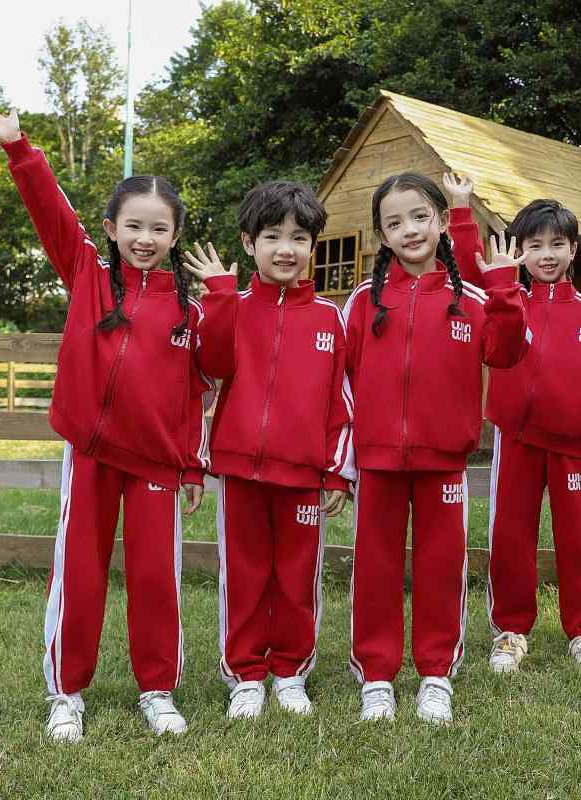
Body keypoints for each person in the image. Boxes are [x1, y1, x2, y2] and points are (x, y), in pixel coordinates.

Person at [0, 104, 214, 741]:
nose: (145, 238)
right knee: (80, 575)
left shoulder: (190, 310)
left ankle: (158, 690)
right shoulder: (88, 274)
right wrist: (18, 147)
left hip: (157, 464)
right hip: (90, 455)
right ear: (112, 229)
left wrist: (192, 465)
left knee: (155, 579)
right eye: (133, 226)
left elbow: (195, 395)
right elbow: (52, 214)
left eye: (159, 228)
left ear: (174, 234)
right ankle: (67, 693)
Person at [344, 172, 529, 724]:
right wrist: (344, 459)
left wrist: (504, 288)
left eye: (420, 217)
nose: (409, 230)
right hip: (377, 462)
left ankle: (435, 674)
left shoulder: (470, 300)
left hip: (445, 464)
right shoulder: (363, 302)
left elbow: (507, 352)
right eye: (394, 222)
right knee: (375, 570)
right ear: (382, 235)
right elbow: (341, 381)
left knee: (441, 569)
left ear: (443, 222)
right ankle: (377, 677)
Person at [183, 181, 355, 718]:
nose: (286, 249)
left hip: (304, 476)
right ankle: (246, 675)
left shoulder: (329, 318)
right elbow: (208, 368)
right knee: (245, 575)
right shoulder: (229, 307)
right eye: (273, 236)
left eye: (299, 238)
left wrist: (337, 472)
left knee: (298, 577)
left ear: (312, 246)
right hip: (240, 473)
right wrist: (217, 298)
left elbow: (341, 400)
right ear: (248, 242)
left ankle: (291, 671)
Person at [444, 173, 581, 681]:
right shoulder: (504, 298)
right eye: (535, 245)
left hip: (574, 448)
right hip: (516, 441)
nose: (546, 255)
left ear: (573, 250)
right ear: (519, 251)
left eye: (557, 244)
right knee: (510, 536)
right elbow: (469, 267)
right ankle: (510, 630)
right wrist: (460, 207)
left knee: (579, 539)